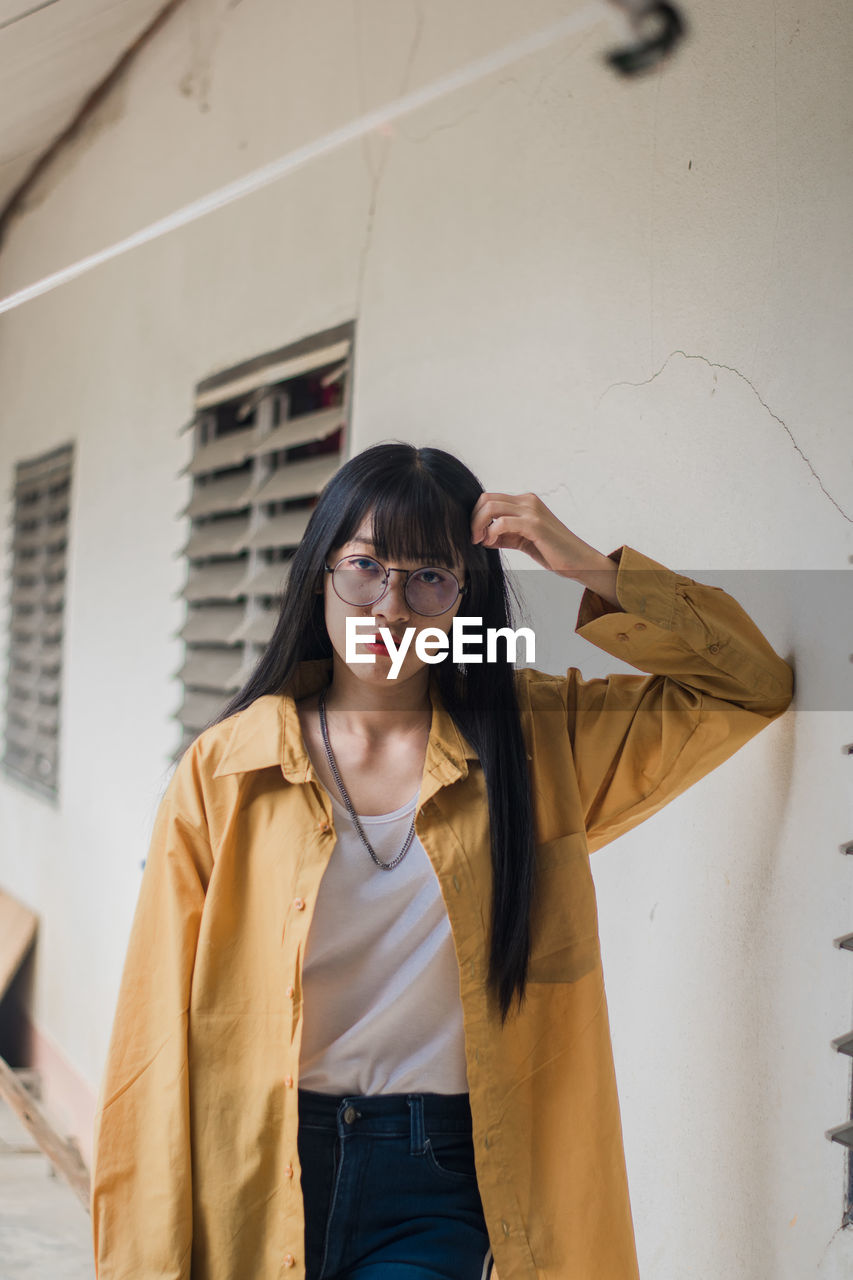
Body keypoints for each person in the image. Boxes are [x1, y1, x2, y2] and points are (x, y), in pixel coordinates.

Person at [89, 441, 794, 1280]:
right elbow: (151, 1033)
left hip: (437, 1179)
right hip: (253, 1162)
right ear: (319, 573)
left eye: (429, 577)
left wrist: (590, 569)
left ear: (466, 600)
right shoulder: (227, 770)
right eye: (363, 567)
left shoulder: (535, 741)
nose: (389, 607)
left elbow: (748, 686)